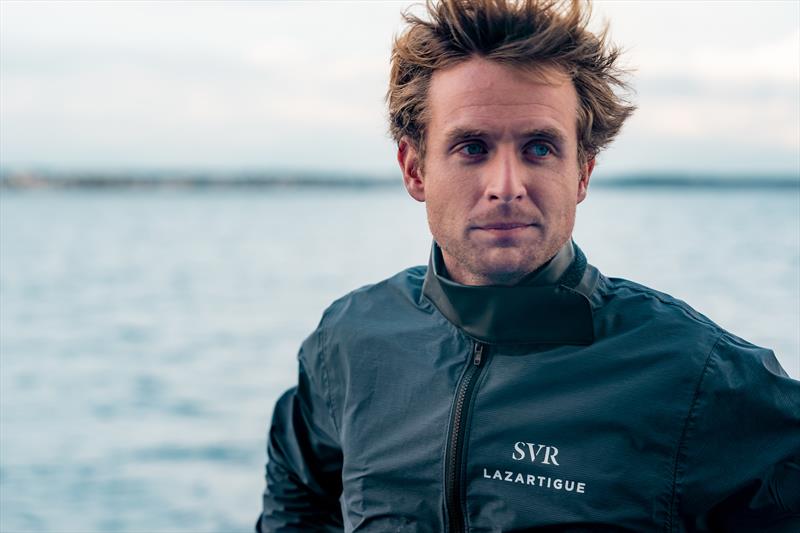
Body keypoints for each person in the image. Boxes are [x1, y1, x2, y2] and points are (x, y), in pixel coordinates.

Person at [257, 0, 800, 531]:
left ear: (582, 173)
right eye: (472, 148)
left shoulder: (693, 374)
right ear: (415, 167)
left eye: (540, 148)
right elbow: (299, 494)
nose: (506, 187)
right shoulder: (351, 341)